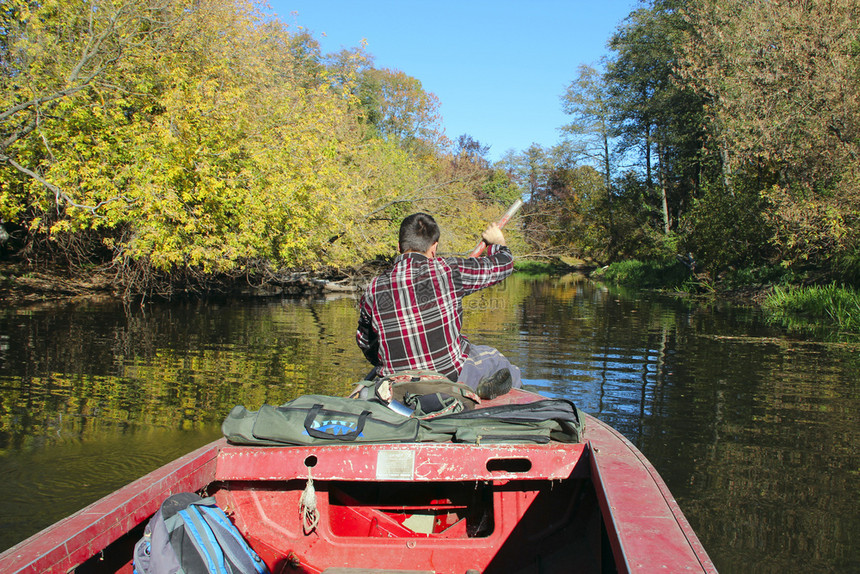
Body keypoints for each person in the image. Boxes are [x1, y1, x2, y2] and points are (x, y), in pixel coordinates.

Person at [356, 212, 522, 399]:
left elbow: (366, 343)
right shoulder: (448, 271)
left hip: (398, 383)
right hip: (446, 380)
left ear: (399, 247)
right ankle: (491, 393)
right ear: (434, 248)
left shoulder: (374, 288)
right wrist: (497, 243)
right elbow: (504, 264)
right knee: (497, 359)